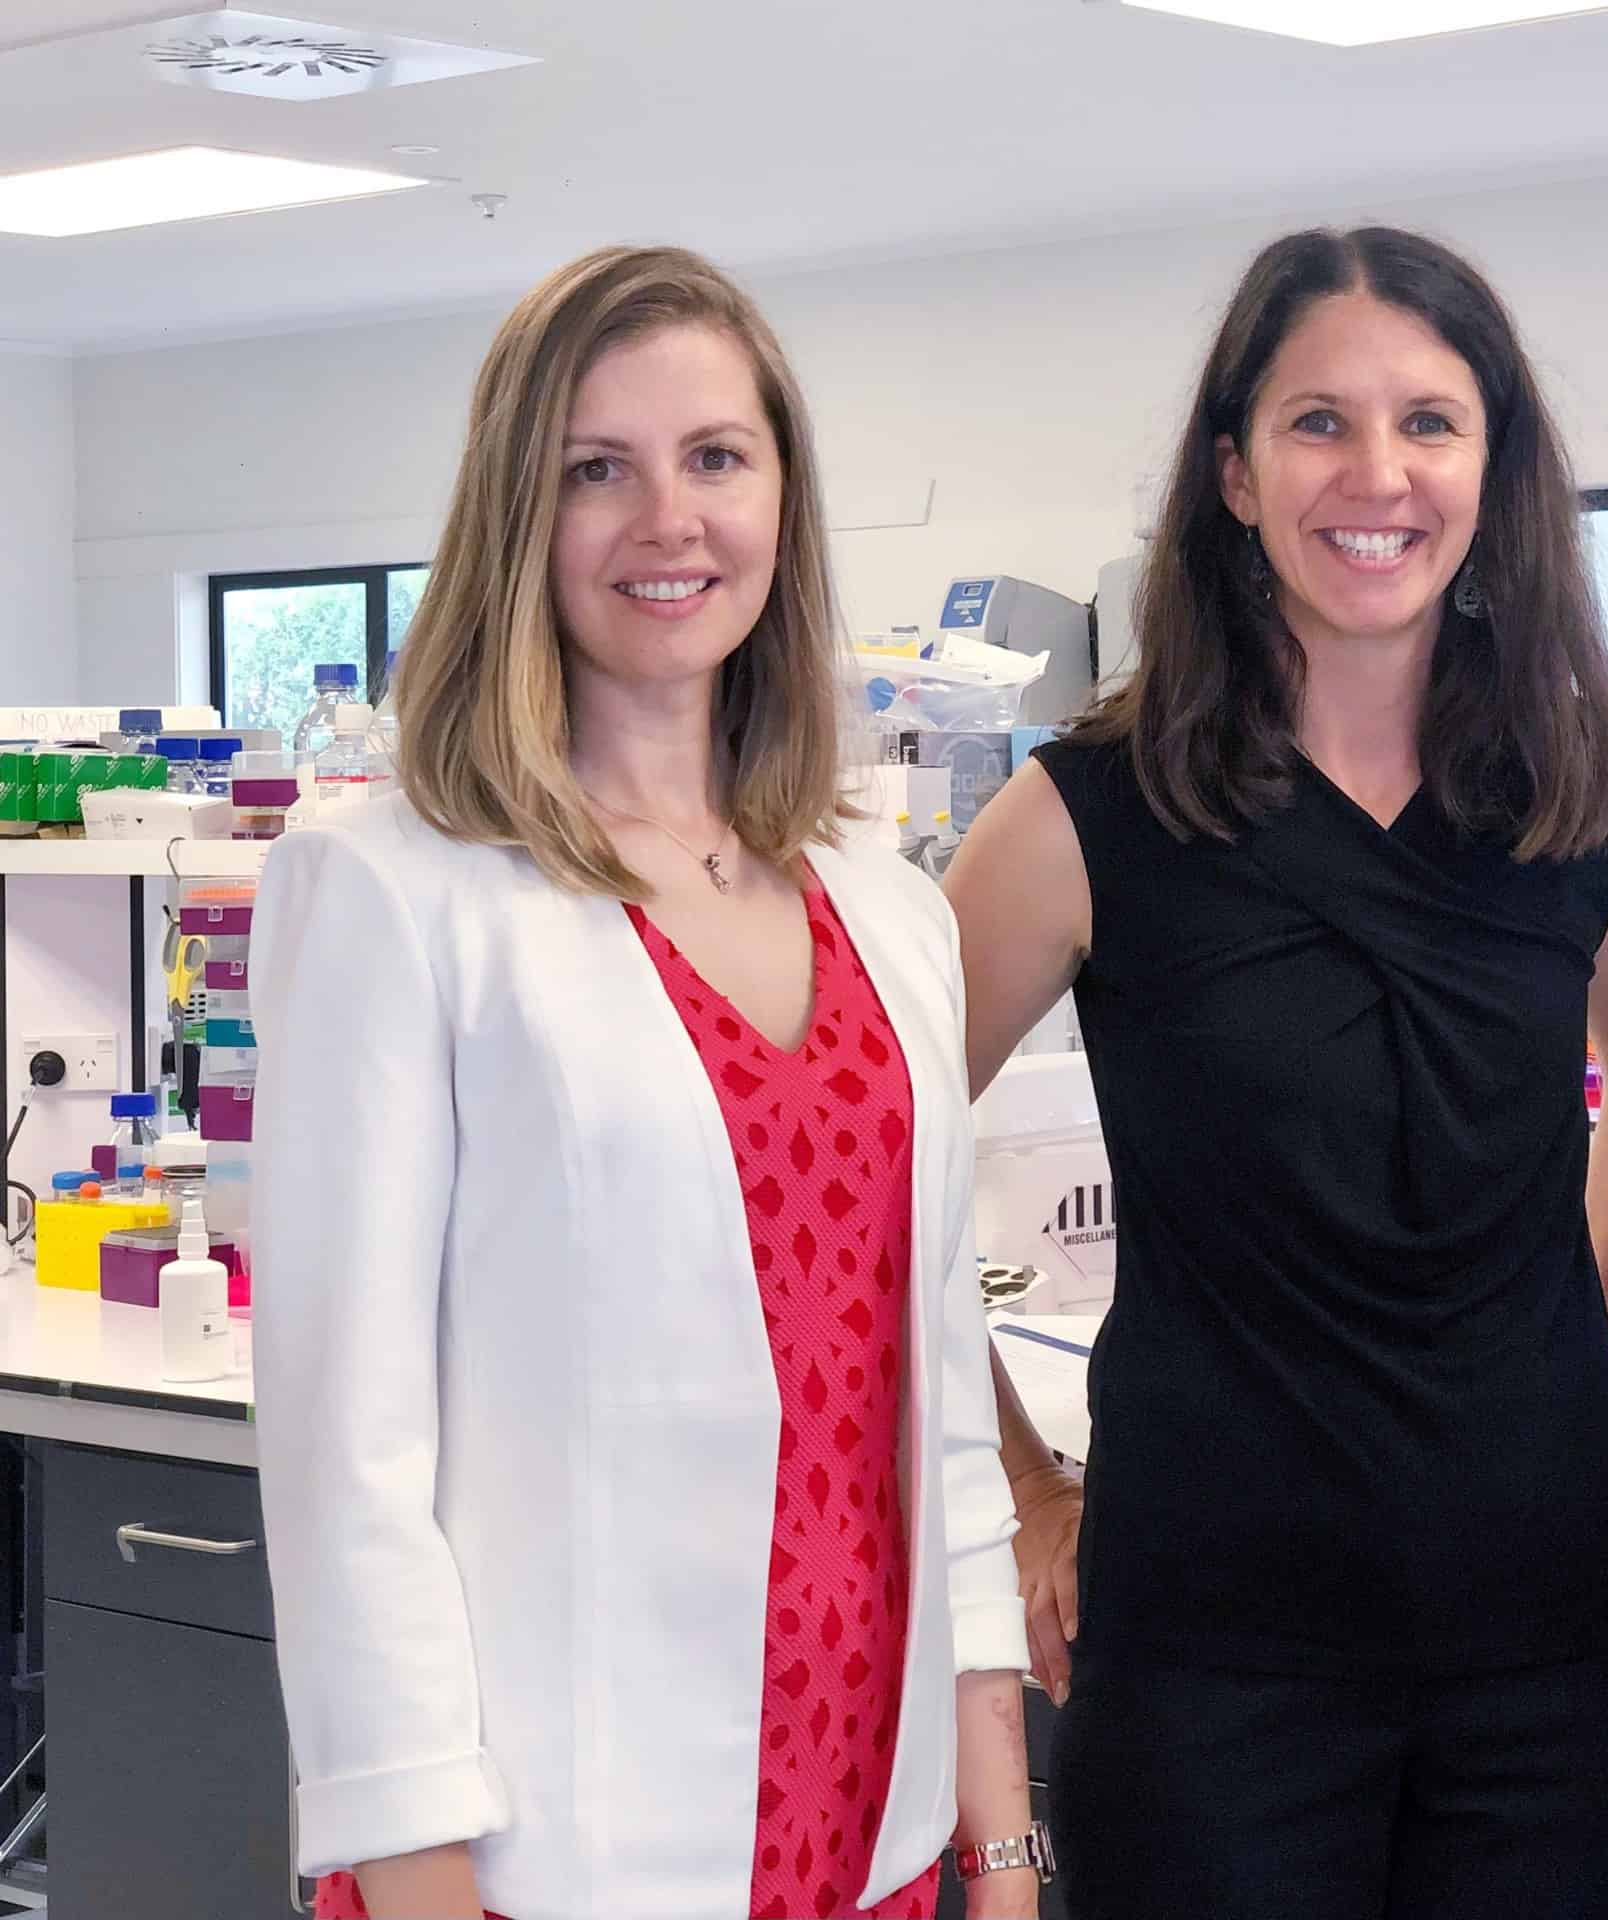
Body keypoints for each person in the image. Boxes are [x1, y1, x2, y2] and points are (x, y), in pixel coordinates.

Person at [251, 246, 1043, 1920]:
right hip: (560, 1851)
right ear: (514, 523)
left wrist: (1002, 1846)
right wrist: (415, 1874)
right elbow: (349, 1460)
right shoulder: (398, 891)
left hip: (874, 1826)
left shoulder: (891, 914)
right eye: (593, 470)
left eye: (715, 459)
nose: (666, 520)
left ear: (783, 501)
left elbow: (942, 1410)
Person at [941, 224, 1608, 1919]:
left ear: (1494, 465)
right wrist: (1015, 1487)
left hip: (1541, 1638)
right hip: (1211, 1645)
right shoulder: (1084, 818)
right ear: (1230, 471)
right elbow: (881, 1164)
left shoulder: (1595, 789)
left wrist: (1576, 1355)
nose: (1379, 476)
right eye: (1317, 424)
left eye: (1431, 422)